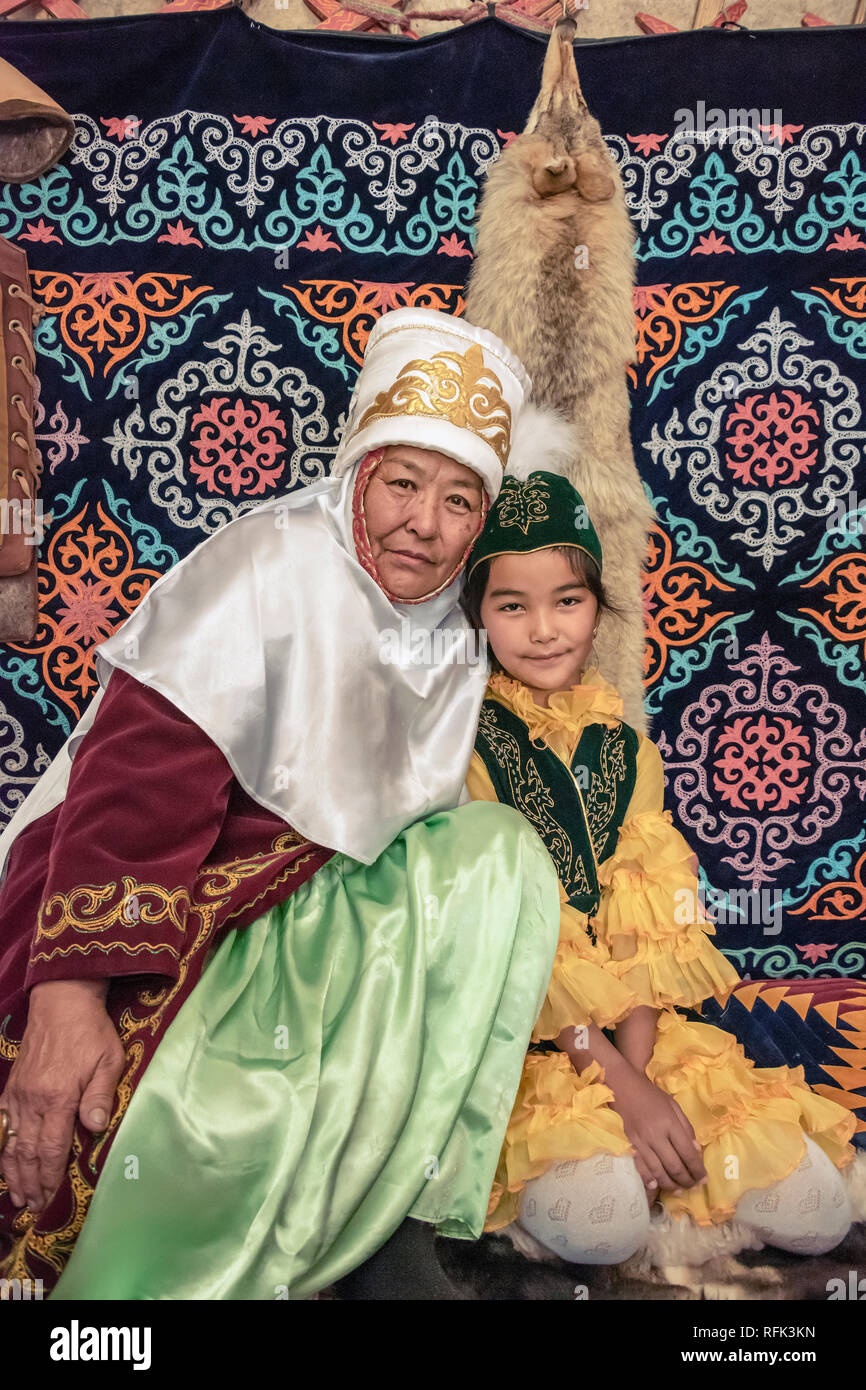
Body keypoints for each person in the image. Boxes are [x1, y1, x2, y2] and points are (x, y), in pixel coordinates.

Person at [0, 308, 570, 1299]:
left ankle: (392, 1215)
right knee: (208, 1112)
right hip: (165, 900)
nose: (422, 526)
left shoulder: (455, 622)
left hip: (312, 910)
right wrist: (70, 992)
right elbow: (135, 778)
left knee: (498, 857)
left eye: (458, 500)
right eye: (401, 483)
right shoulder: (267, 566)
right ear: (356, 469)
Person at [458, 465, 862, 1269]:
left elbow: (653, 936)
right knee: (604, 1229)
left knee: (819, 1218)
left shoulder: (628, 751)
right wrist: (608, 1082)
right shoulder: (465, 751)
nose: (543, 629)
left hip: (634, 1036)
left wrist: (635, 1083)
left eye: (566, 601)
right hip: (525, 1043)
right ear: (479, 617)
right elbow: (512, 939)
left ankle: (652, 1154)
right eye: (513, 605)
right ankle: (560, 1183)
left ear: (598, 606)